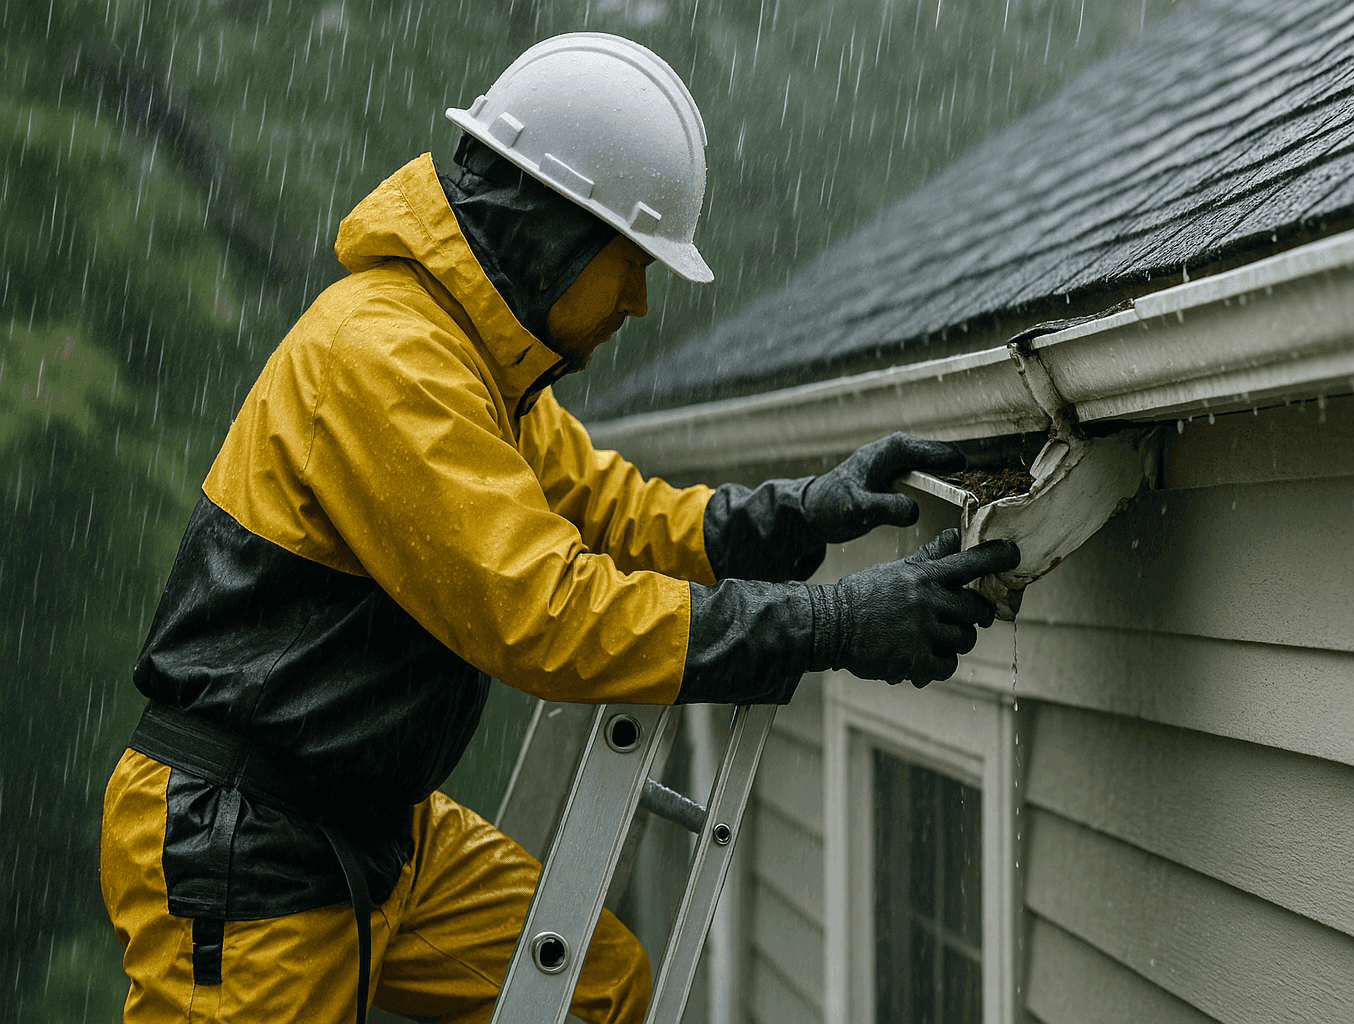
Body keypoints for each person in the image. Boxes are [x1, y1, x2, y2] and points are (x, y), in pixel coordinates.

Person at [99, 32, 1019, 1024]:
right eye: (629, 262)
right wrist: (831, 625)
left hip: (373, 823)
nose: (638, 299)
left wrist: (797, 514)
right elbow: (547, 614)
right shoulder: (389, 360)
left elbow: (619, 514)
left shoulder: (482, 371)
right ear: (555, 230)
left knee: (593, 983)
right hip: (248, 846)